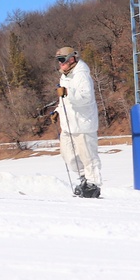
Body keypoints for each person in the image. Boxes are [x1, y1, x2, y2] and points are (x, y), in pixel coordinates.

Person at [53, 46, 102, 198]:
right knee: (68, 154)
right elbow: (64, 102)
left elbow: (86, 98)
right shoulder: (65, 76)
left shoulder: (81, 75)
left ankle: (93, 185)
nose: (60, 64)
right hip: (69, 124)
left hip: (83, 124)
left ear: (72, 59)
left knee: (87, 156)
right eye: (58, 61)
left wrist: (68, 93)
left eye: (62, 60)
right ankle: (83, 180)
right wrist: (58, 111)